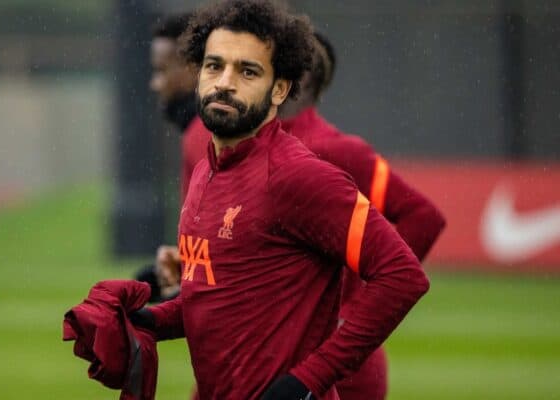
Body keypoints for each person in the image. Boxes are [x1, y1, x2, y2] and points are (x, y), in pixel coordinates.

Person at [130, 1, 430, 399]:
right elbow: (216, 299)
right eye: (214, 65)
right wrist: (146, 320)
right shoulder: (207, 169)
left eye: (248, 71)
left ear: (281, 89)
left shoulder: (299, 175)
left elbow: (403, 275)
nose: (225, 82)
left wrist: (309, 379)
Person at [278, 33, 446, 400]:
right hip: (274, 353)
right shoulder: (255, 148)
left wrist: (354, 307)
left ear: (301, 80)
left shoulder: (337, 150)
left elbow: (424, 216)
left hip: (336, 363)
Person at [135, 12, 198, 302]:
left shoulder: (206, 136)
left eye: (162, 70)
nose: (156, 84)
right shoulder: (199, 133)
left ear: (192, 68)